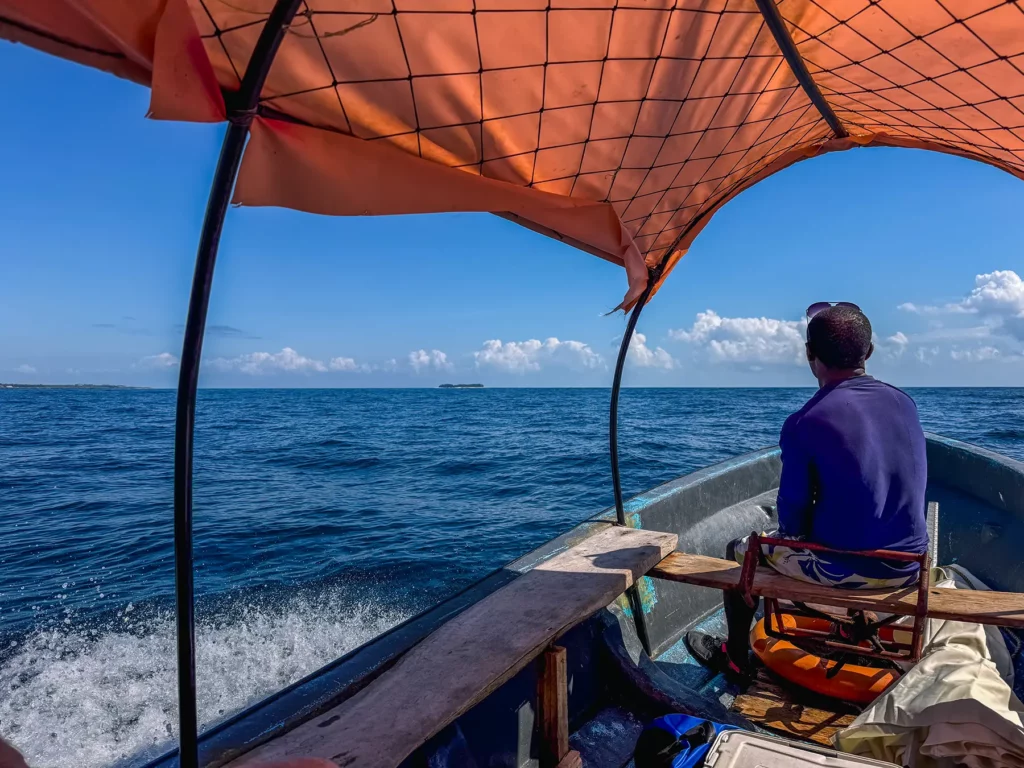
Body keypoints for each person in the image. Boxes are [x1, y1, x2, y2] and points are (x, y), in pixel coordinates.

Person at [685, 303, 928, 682]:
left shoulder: (805, 421)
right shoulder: (905, 403)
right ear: (870, 352)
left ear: (808, 354)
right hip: (912, 566)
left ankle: (736, 657)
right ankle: (850, 629)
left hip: (854, 571)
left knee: (740, 551)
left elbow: (794, 516)